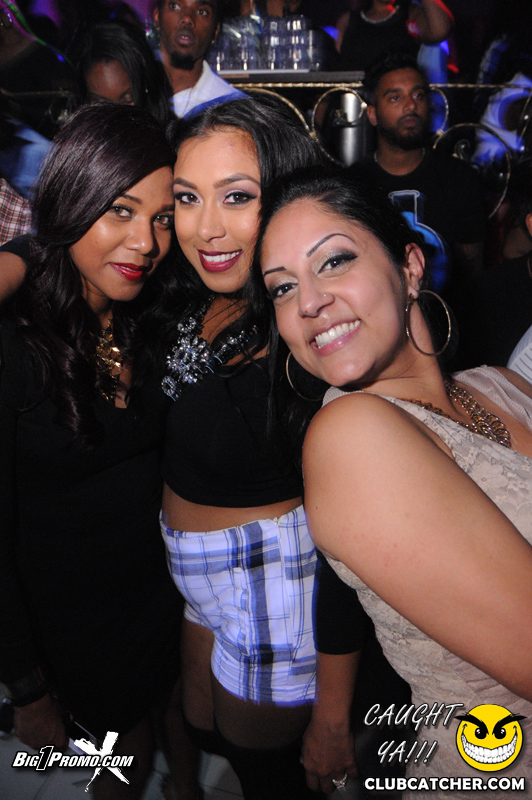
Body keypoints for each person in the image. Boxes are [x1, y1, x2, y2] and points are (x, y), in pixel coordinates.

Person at [252, 165, 532, 798]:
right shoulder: (350, 436)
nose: (308, 302)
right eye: (282, 288)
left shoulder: (501, 383)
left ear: (409, 267)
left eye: (334, 261)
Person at [0, 103, 197, 800]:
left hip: (160, 592)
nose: (146, 242)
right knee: (125, 757)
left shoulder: (149, 316)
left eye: (163, 217)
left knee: (175, 715)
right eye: (120, 211)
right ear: (73, 201)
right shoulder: (17, 348)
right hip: (76, 621)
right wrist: (27, 689)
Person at [157, 95, 326, 800]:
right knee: (203, 730)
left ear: (282, 196)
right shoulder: (195, 292)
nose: (206, 228)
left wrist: (337, 711)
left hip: (269, 577)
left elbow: (351, 536)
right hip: (197, 578)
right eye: (187, 198)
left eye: (237, 197)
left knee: (266, 776)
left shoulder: (307, 330)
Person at [67, 19, 173, 124]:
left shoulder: (169, 132)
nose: (115, 116)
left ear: (146, 87)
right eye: (101, 104)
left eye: (128, 100)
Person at [152, 0, 244, 119]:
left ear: (216, 30)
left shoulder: (232, 109)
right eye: (175, 6)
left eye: (202, 12)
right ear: (157, 16)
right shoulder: (134, 87)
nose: (187, 18)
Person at [336, 0, 453, 73]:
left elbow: (440, 31)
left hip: (398, 98)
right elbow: (336, 66)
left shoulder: (411, 13)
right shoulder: (348, 20)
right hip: (353, 99)